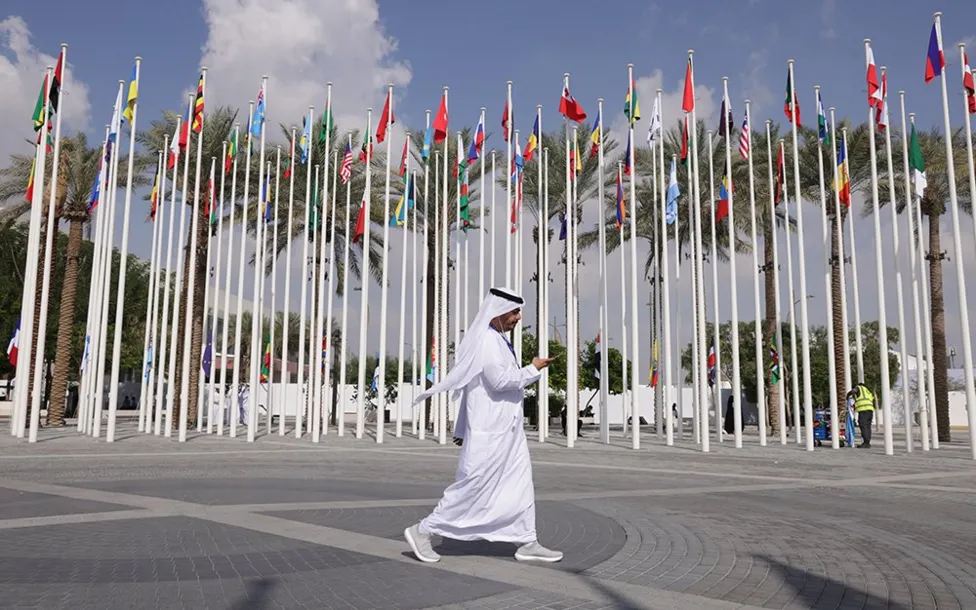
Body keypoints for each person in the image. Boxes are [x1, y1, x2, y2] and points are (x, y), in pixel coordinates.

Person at [404, 288, 562, 564]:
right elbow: (499, 381)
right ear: (499, 311)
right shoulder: (487, 341)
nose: (518, 317)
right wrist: (533, 368)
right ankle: (423, 530)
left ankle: (527, 541)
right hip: (490, 435)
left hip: (508, 434)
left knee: (519, 484)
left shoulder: (498, 340)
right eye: (514, 312)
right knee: (473, 487)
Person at [848, 383, 875, 449]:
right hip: (870, 410)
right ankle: (867, 443)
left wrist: (848, 395)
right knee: (867, 426)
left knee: (863, 425)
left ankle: (866, 443)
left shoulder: (859, 387)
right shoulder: (867, 391)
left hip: (864, 410)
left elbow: (854, 391)